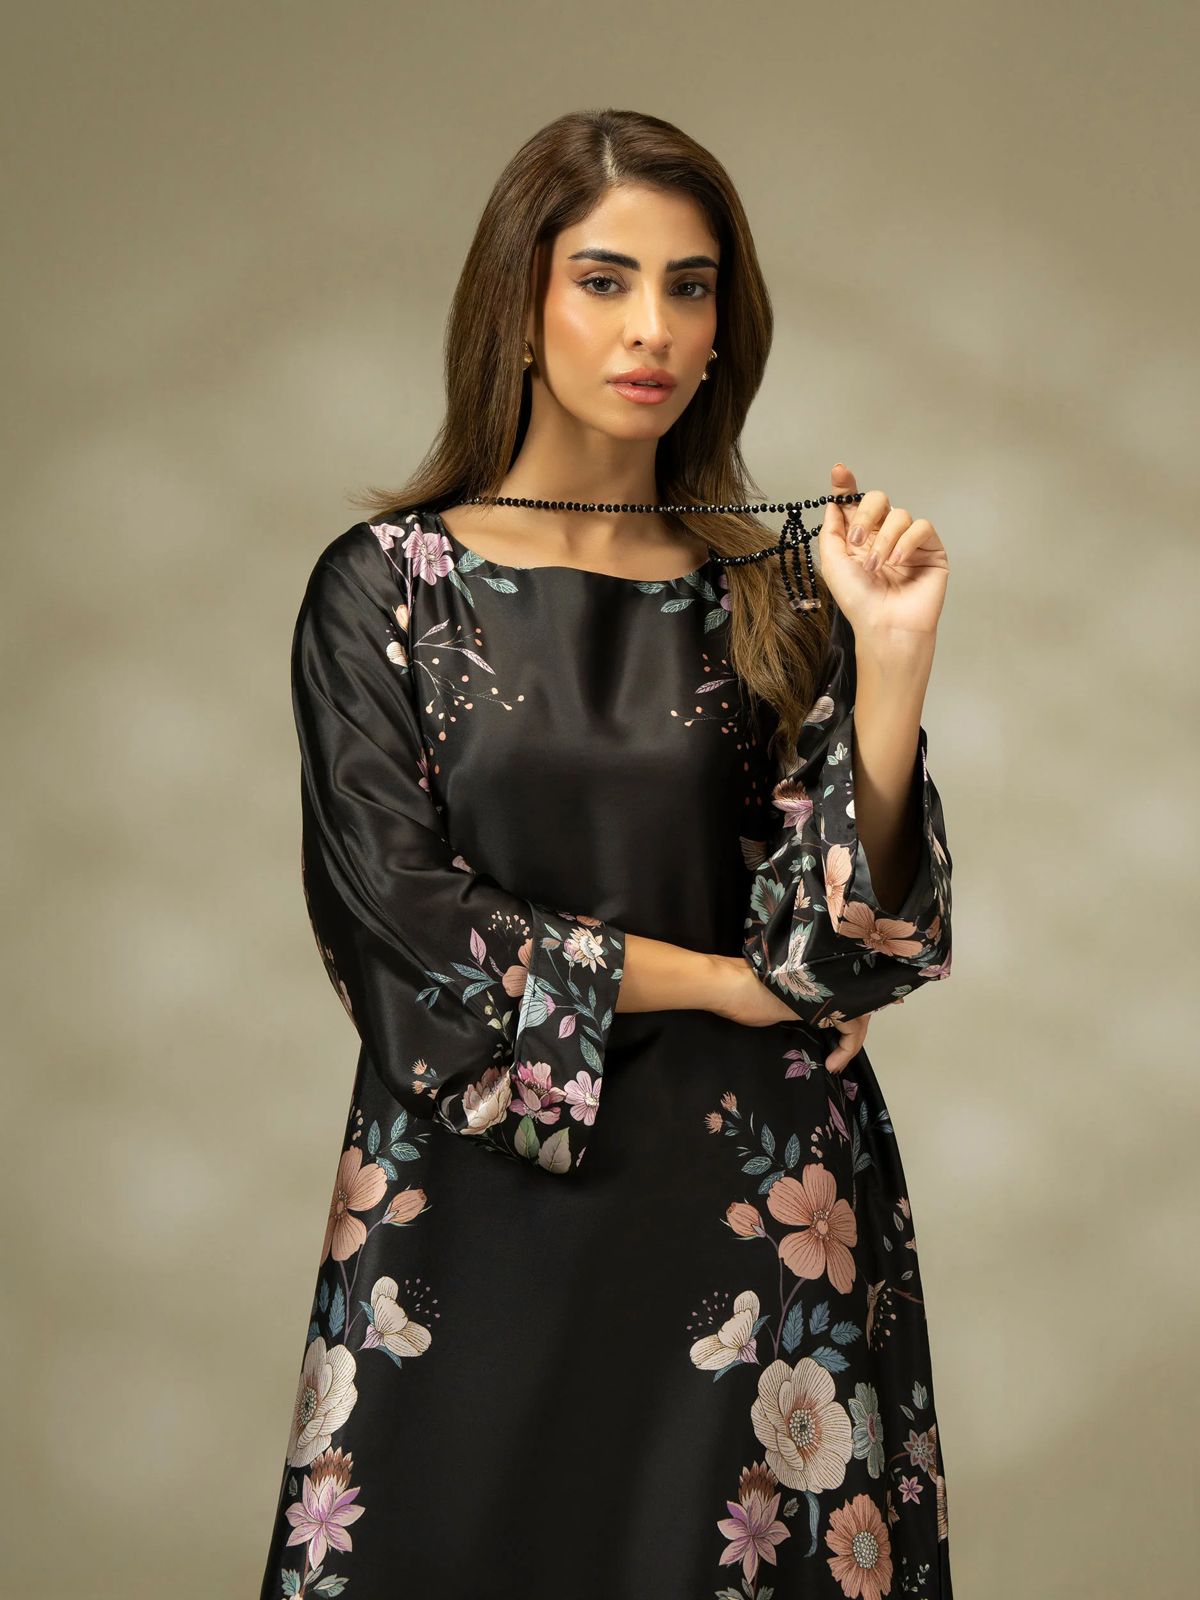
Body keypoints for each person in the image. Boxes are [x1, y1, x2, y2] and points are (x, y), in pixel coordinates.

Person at [259, 107, 955, 1600]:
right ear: (518, 305)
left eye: (690, 288)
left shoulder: (776, 593)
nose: (653, 327)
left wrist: (891, 667)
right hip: (475, 1206)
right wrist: (721, 983)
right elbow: (402, 916)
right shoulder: (385, 593)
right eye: (604, 279)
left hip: (752, 1207)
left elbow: (846, 952)